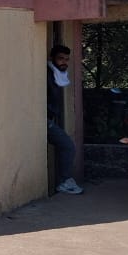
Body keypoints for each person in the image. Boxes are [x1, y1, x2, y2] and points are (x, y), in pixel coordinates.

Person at [47, 44, 83, 195]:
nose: (64, 62)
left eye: (67, 59)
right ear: (52, 58)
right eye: (60, 58)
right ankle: (64, 182)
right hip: (44, 120)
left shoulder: (56, 74)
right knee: (67, 146)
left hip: (49, 119)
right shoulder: (47, 74)